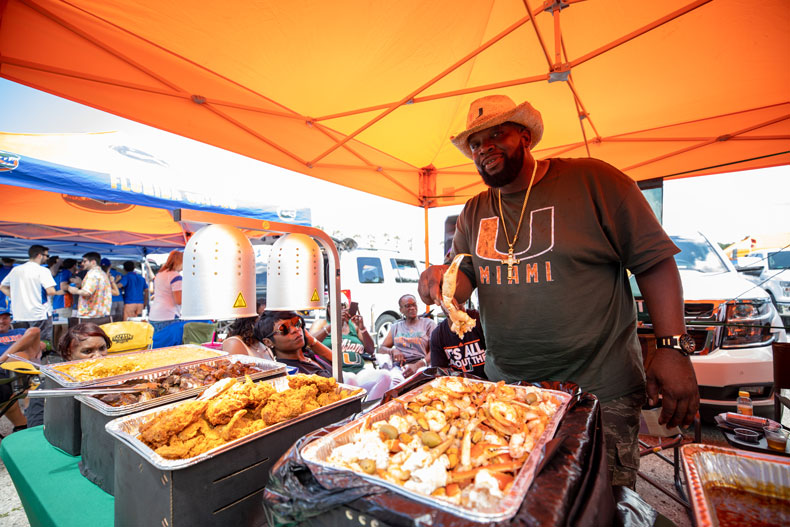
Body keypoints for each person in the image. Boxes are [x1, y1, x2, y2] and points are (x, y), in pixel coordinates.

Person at [418, 94, 699, 488]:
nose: (485, 149)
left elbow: (655, 262)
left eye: (497, 134)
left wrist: (672, 348)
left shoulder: (594, 181)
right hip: (510, 389)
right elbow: (465, 277)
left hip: (600, 389)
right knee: (521, 497)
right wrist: (442, 282)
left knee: (600, 501)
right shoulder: (474, 210)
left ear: (525, 136)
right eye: (476, 144)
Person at [312, 302, 394, 399]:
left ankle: (368, 410)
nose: (340, 309)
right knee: (351, 379)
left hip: (359, 371)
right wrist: (334, 324)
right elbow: (310, 342)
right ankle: (352, 411)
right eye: (335, 306)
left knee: (385, 376)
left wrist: (362, 328)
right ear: (329, 309)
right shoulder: (322, 323)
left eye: (343, 306)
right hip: (336, 373)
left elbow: (371, 350)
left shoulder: (353, 326)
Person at [0, 309, 46, 433]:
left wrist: (39, 346)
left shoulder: (19, 331)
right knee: (19, 357)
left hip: (29, 359)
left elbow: (42, 344)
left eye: (5, 318)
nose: (1, 321)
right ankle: (26, 422)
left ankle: (3, 359)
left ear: (10, 319)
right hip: (7, 369)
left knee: (34, 330)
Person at [0, 245, 57, 344]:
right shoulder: (43, 270)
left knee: (21, 343)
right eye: (46, 256)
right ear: (39, 255)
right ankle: (38, 359)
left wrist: (15, 297)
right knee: (41, 343)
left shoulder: (16, 270)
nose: (47, 258)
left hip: (19, 314)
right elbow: (51, 291)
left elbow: (3, 287)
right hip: (39, 313)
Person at [255, 311, 332, 376]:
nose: (295, 329)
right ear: (268, 342)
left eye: (297, 322)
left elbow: (339, 364)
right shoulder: (289, 372)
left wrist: (310, 340)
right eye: (284, 329)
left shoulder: (308, 355)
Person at [377, 294, 436, 379]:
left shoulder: (428, 324)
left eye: (414, 305)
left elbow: (435, 351)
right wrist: (393, 351)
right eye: (408, 306)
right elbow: (381, 349)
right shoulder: (396, 327)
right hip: (400, 367)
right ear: (401, 310)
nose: (412, 308)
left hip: (421, 365)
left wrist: (417, 365)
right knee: (390, 380)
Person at [430, 306, 487, 379]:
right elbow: (440, 374)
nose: (454, 305)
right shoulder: (438, 334)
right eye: (447, 302)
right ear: (440, 304)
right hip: (459, 385)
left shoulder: (479, 320)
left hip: (490, 382)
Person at [68, 252, 113, 326]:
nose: (82, 263)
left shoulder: (92, 274)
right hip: (102, 314)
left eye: (85, 261)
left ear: (93, 262)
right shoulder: (103, 274)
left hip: (89, 315)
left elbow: (87, 292)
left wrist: (75, 291)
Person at [148, 250, 183, 332]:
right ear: (180, 262)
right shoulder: (176, 276)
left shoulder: (159, 274)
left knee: (157, 344)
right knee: (171, 344)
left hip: (154, 315)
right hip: (168, 316)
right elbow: (179, 301)